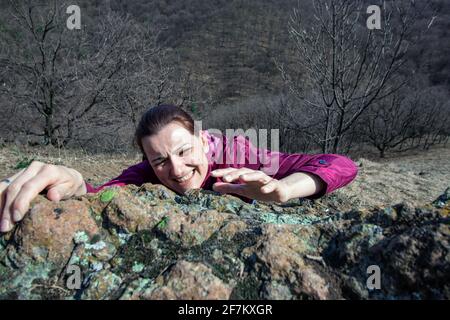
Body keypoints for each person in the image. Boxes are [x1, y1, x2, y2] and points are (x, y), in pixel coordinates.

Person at [0, 104, 358, 233]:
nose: (177, 169)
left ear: (202, 140)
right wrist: (75, 181)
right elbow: (99, 193)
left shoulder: (239, 154)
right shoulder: (146, 173)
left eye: (185, 150)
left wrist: (284, 190)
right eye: (159, 160)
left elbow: (340, 165)